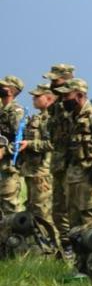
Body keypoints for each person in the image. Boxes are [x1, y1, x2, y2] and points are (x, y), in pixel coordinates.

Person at [54, 78, 92, 229]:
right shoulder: (70, 118)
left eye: (67, 96)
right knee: (75, 224)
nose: (64, 100)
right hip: (72, 178)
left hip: (91, 179)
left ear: (79, 96)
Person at [17, 84, 58, 241]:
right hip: (31, 171)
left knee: (43, 211)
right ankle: (36, 243)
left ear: (48, 98)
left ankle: (50, 243)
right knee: (32, 208)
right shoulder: (37, 117)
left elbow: (52, 143)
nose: (33, 99)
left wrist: (30, 144)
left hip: (43, 172)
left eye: (37, 96)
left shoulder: (51, 119)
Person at [43, 64, 76, 242]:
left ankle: (74, 243)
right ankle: (64, 244)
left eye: (55, 80)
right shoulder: (55, 106)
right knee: (58, 209)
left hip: (73, 165)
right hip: (58, 163)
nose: (52, 84)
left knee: (73, 209)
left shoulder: (74, 105)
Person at [0, 76, 26, 215]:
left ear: (10, 91)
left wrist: (5, 150)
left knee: (9, 204)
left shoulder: (16, 112)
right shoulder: (2, 110)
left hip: (10, 164)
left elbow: (20, 139)